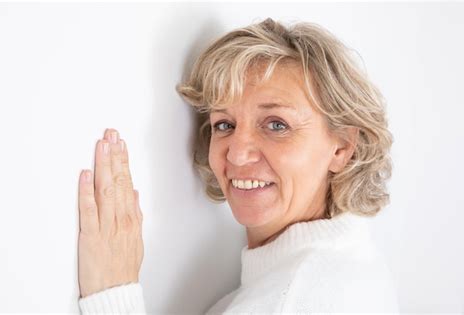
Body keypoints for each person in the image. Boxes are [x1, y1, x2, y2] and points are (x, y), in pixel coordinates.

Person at [77, 18, 399, 314]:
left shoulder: (296, 298)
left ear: (342, 147)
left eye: (276, 125)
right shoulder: (344, 263)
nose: (237, 155)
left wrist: (112, 292)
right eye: (225, 125)